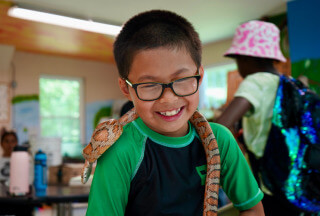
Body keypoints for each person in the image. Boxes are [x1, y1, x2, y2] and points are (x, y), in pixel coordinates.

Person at [86, 10, 264, 216]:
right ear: (126, 89)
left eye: (181, 79)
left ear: (200, 75)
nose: (168, 99)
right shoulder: (120, 150)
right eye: (149, 85)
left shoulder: (219, 139)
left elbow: (252, 207)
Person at [216, 20, 307, 216]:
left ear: (247, 58)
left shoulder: (255, 81)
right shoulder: (290, 83)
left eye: (238, 60)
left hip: (270, 180)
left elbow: (220, 126)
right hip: (295, 176)